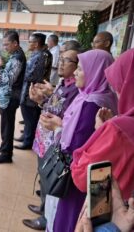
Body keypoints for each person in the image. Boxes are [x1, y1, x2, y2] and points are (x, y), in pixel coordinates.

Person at [40, 49, 117, 232]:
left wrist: (57, 128)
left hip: (79, 180)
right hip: (96, 178)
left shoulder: (92, 103)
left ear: (95, 72)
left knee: (68, 221)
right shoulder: (99, 96)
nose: (75, 72)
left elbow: (76, 145)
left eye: (80, 69)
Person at [22, 49, 80, 231]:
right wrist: (42, 99)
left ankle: (47, 218)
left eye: (67, 60)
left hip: (56, 142)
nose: (60, 63)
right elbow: (53, 108)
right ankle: (42, 208)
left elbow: (66, 118)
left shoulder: (77, 89)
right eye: (60, 59)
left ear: (78, 65)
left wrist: (47, 97)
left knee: (51, 178)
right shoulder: (63, 83)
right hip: (46, 139)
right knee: (44, 175)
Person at [71, 48, 134, 204]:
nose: (116, 91)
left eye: (119, 84)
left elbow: (84, 177)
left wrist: (103, 135)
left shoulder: (119, 126)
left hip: (111, 210)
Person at [0, 30, 26, 164]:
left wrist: (0, 68)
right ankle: (4, 145)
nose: (5, 48)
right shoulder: (15, 55)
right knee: (5, 123)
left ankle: (7, 153)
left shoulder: (18, 58)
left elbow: (10, 79)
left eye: (7, 45)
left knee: (8, 124)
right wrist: (4, 66)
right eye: (4, 45)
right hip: (9, 97)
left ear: (15, 43)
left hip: (11, 97)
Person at [16, 33, 48, 150]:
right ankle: (25, 136)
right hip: (26, 91)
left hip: (31, 93)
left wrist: (19, 75)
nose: (28, 43)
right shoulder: (35, 55)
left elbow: (32, 75)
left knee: (30, 118)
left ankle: (28, 142)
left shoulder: (40, 57)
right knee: (27, 117)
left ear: (36, 43)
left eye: (30, 41)